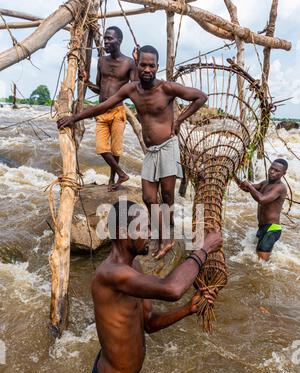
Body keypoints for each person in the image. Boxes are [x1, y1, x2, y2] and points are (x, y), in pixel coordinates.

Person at [58, 45, 208, 259]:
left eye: (151, 65)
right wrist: (75, 117)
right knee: (148, 197)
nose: (147, 69)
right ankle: (165, 236)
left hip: (167, 147)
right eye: (143, 65)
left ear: (157, 67)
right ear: (136, 66)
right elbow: (104, 105)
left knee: (167, 195)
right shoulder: (131, 89)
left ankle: (166, 235)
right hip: (151, 151)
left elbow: (201, 97)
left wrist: (179, 121)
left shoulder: (167, 88)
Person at [90, 200, 222, 373]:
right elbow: (172, 289)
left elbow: (149, 323)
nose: (152, 233)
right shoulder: (110, 274)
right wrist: (204, 249)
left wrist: (188, 309)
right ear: (124, 232)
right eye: (145, 227)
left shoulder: (135, 268)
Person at [83, 26, 136, 191]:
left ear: (119, 41)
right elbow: (99, 88)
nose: (105, 41)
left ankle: (113, 179)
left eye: (109, 39)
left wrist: (139, 62)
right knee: (100, 147)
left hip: (118, 111)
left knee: (116, 149)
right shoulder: (102, 61)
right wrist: (87, 82)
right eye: (105, 38)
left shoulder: (129, 63)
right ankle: (122, 174)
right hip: (101, 111)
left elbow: (135, 88)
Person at [239, 158, 288, 261]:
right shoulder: (265, 183)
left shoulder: (280, 187)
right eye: (271, 168)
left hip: (272, 229)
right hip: (262, 227)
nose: (272, 172)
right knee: (257, 261)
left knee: (261, 265)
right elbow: (248, 189)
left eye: (277, 171)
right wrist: (238, 181)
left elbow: (262, 199)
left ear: (284, 173)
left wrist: (249, 185)